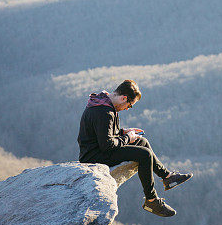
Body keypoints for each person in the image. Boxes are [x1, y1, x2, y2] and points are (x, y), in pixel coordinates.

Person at [78, 79, 192, 217]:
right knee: (144, 155)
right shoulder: (104, 112)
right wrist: (128, 138)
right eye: (129, 105)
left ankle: (167, 177)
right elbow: (107, 145)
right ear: (124, 98)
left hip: (97, 150)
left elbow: (102, 133)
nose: (127, 108)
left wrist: (123, 132)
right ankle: (151, 200)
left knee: (142, 142)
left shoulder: (103, 103)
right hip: (94, 156)